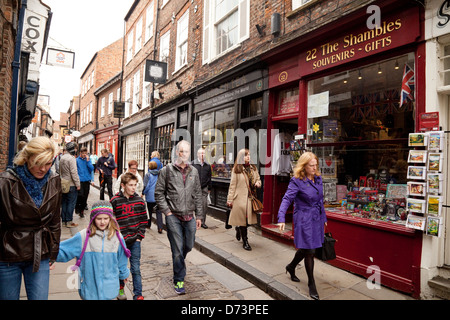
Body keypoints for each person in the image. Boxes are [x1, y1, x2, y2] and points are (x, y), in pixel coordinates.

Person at [0, 136, 61, 300]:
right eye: (38, 163)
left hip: (39, 252)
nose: (43, 168)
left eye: (48, 163)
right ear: (27, 158)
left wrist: (53, 252)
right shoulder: (6, 181)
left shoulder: (54, 180)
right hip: (8, 253)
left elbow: (55, 220)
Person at [54, 201, 131, 300]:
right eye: (99, 219)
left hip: (110, 287)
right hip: (89, 288)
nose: (102, 222)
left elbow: (122, 259)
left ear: (111, 219)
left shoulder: (117, 237)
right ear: (93, 219)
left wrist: (123, 274)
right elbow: (64, 250)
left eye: (106, 218)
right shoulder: (83, 236)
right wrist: (49, 256)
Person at [155, 140, 203, 295]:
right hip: (173, 216)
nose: (184, 154)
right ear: (177, 152)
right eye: (182, 151)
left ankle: (179, 261)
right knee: (177, 250)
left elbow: (198, 194)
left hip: (189, 216)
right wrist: (167, 212)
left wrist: (199, 215)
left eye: (187, 152)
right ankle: (179, 279)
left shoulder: (194, 171)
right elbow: (159, 193)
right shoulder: (167, 170)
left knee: (188, 246)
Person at [277, 152, 327, 300]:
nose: (314, 167)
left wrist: (323, 217)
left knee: (307, 248)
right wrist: (281, 218)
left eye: (315, 164)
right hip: (304, 219)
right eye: (311, 165)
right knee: (310, 251)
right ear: (304, 166)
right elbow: (286, 199)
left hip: (316, 218)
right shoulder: (296, 181)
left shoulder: (318, 178)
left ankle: (291, 267)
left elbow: (320, 200)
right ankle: (312, 284)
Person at [111, 172, 147, 300]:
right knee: (120, 267)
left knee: (136, 268)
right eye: (131, 185)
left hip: (135, 240)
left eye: (135, 185)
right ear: (123, 185)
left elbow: (144, 220)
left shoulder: (139, 201)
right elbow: (110, 220)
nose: (133, 188)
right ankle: (120, 288)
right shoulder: (115, 201)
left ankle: (138, 294)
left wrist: (139, 236)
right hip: (120, 241)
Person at [226, 148, 261, 251]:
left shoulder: (253, 168)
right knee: (244, 221)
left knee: (249, 221)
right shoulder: (236, 170)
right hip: (239, 199)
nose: (248, 157)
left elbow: (258, 178)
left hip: (251, 199)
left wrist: (258, 183)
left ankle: (238, 228)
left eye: (249, 155)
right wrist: (230, 199)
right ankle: (245, 241)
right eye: (246, 155)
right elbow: (232, 185)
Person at [60, 142, 80, 227]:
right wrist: (78, 184)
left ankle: (64, 220)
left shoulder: (62, 157)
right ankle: (69, 221)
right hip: (71, 184)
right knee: (71, 203)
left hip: (63, 183)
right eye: (75, 148)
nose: (76, 150)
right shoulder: (71, 159)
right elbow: (74, 173)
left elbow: (59, 170)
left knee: (64, 202)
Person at [191, 148, 212, 229]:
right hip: (194, 187)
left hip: (204, 188)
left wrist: (209, 187)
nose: (202, 155)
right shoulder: (193, 164)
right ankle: (193, 220)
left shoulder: (207, 165)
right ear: (197, 154)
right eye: (200, 153)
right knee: (193, 204)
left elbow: (209, 177)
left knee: (203, 205)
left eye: (203, 153)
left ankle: (202, 222)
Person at [142, 161, 163, 232]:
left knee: (149, 210)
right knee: (159, 211)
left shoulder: (148, 175)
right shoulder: (159, 174)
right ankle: (160, 227)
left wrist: (143, 192)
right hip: (158, 195)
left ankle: (148, 224)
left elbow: (146, 185)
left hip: (150, 196)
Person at [75, 147, 94, 218]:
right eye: (83, 153)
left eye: (86, 153)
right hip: (80, 181)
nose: (85, 155)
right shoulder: (76, 160)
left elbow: (92, 169)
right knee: (80, 195)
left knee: (85, 196)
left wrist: (88, 161)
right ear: (80, 153)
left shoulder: (88, 160)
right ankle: (77, 206)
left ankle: (81, 211)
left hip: (87, 181)